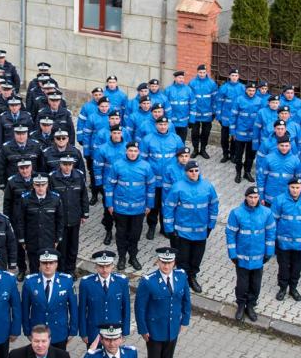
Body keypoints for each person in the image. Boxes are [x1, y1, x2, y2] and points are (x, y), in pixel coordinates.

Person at [134, 246, 191, 358]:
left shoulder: (181, 277)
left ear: (174, 262)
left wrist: (185, 320)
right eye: (163, 262)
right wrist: (143, 329)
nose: (166, 266)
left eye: (170, 262)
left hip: (172, 327)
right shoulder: (148, 281)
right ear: (158, 262)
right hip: (154, 329)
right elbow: (140, 308)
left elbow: (186, 299)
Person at [163, 159, 219, 293]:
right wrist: (170, 229)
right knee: (182, 259)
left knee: (196, 257)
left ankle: (192, 277)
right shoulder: (178, 187)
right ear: (186, 172)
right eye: (191, 171)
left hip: (200, 232)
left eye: (196, 171)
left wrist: (211, 225)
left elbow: (214, 206)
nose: (194, 173)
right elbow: (169, 208)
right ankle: (182, 279)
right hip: (182, 233)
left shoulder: (208, 187)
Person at [225, 186, 276, 322]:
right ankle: (241, 305)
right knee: (242, 284)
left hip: (259, 258)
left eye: (255, 197)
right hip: (241, 258)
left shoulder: (266, 213)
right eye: (250, 197)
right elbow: (230, 234)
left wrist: (269, 252)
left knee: (255, 284)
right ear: (246, 197)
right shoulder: (236, 213)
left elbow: (271, 233)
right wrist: (232, 253)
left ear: (259, 198)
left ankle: (251, 306)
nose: (253, 200)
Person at [104, 142, 155, 271]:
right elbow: (109, 186)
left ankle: (133, 257)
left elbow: (151, 187)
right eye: (130, 150)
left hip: (138, 210)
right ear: (126, 151)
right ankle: (122, 258)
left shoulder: (146, 166)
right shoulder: (117, 165)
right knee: (121, 235)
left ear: (138, 152)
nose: (132, 153)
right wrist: (109, 204)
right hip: (120, 209)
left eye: (135, 151)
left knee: (135, 235)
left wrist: (149, 205)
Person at [270, 176, 301, 301]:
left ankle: (293, 289)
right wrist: (273, 239)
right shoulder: (279, 200)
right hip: (283, 243)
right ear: (288, 187)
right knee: (283, 267)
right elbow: (272, 221)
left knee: (297, 268)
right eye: (292, 187)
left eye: (297, 187)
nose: (295, 190)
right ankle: (282, 288)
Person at [21, 250, 79, 349]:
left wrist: (73, 330)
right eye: (44, 263)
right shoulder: (30, 282)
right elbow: (25, 309)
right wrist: (27, 331)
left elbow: (73, 308)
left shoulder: (67, 281)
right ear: (40, 264)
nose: (48, 266)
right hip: (38, 333)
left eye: (51, 263)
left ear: (56, 264)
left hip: (59, 332)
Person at [15, 175, 65, 275]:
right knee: (33, 267)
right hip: (32, 240)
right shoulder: (25, 199)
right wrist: (22, 239)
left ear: (47, 185)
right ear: (33, 185)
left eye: (43, 185)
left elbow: (60, 220)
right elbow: (20, 221)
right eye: (37, 185)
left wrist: (57, 238)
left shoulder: (55, 199)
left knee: (48, 267)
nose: (40, 188)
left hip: (49, 239)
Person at [79, 250, 131, 345]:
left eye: (107, 266)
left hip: (115, 332)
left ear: (112, 265)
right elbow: (82, 310)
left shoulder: (122, 282)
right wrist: (83, 333)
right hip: (94, 332)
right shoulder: (86, 283)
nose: (104, 269)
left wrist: (125, 331)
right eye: (101, 266)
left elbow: (126, 308)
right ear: (96, 266)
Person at [49, 155, 89, 275]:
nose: (67, 167)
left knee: (73, 247)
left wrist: (85, 213)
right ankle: (61, 271)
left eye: (69, 165)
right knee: (62, 247)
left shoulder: (79, 176)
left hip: (74, 217)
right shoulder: (53, 177)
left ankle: (70, 271)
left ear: (72, 165)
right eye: (64, 164)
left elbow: (84, 196)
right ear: (60, 164)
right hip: (60, 219)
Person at [187, 65, 217, 159]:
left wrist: (214, 112)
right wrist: (190, 113)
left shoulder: (212, 83)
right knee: (195, 133)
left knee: (205, 133)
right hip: (195, 114)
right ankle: (195, 150)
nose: (202, 74)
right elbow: (189, 99)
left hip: (207, 114)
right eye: (200, 72)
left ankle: (203, 150)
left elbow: (214, 99)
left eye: (203, 72)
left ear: (206, 72)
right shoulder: (192, 83)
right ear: (197, 72)